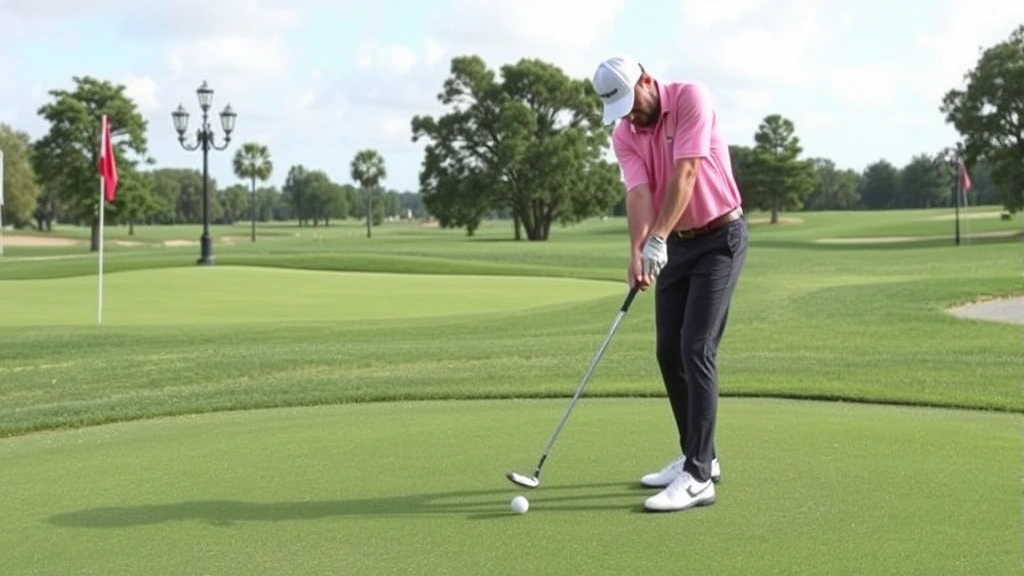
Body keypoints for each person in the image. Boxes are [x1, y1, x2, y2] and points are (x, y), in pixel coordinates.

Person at [591, 56, 748, 513]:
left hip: (720, 237)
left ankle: (698, 477)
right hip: (675, 244)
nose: (628, 116)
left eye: (630, 104)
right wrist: (638, 250)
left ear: (646, 80)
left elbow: (687, 173)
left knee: (696, 347)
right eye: (617, 110)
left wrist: (657, 238)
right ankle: (700, 455)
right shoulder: (625, 133)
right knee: (668, 350)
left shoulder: (690, 99)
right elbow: (638, 193)